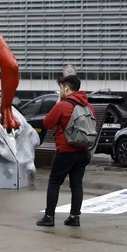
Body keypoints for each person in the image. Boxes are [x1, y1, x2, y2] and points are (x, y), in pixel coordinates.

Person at [36, 75, 94, 227]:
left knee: (54, 183)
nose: (60, 91)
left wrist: (57, 103)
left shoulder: (62, 105)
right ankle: (74, 217)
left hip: (66, 151)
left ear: (66, 88)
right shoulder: (88, 106)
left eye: (61, 88)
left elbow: (47, 123)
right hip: (83, 151)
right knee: (76, 185)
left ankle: (49, 217)